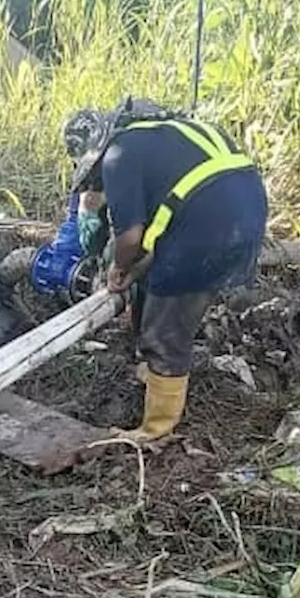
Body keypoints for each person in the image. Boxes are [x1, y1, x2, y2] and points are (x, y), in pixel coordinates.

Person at [65, 97, 268, 442]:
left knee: (165, 331)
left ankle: (155, 430)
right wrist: (138, 268)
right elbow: (167, 215)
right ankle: (158, 375)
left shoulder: (117, 156)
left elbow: (129, 236)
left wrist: (118, 267)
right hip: (249, 212)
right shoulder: (166, 133)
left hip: (206, 227)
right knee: (161, 285)